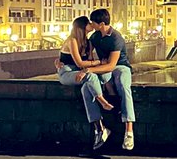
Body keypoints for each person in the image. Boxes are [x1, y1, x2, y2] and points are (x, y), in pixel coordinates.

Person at [56, 15, 114, 150]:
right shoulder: (72, 41)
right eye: (88, 23)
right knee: (91, 77)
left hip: (80, 72)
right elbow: (80, 63)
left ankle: (100, 129)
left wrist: (89, 67)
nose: (91, 24)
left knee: (87, 89)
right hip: (66, 73)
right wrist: (99, 62)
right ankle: (102, 101)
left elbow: (88, 63)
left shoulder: (88, 43)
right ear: (82, 27)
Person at [87, 8, 136, 150]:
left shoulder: (116, 38)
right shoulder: (95, 37)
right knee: (90, 85)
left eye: (93, 22)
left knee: (124, 85)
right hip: (105, 67)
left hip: (120, 66)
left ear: (101, 24)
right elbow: (88, 53)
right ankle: (100, 127)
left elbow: (111, 65)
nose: (91, 24)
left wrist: (90, 69)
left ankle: (129, 130)